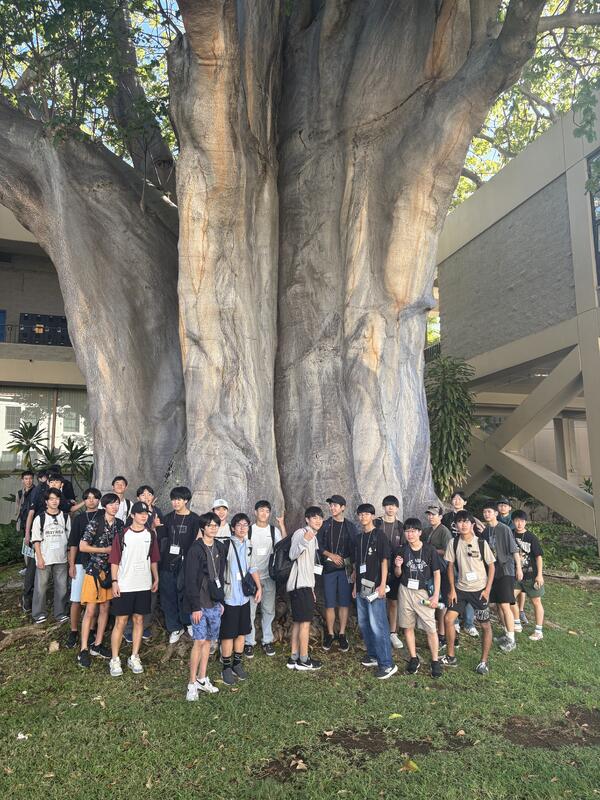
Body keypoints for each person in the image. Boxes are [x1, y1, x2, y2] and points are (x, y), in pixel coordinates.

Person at [108, 501, 159, 677]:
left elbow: (153, 559)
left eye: (146, 514)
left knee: (139, 620)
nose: (144, 516)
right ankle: (115, 659)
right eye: (140, 513)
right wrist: (114, 581)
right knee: (121, 622)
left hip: (143, 584)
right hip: (125, 584)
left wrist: (156, 577)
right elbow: (114, 560)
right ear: (132, 515)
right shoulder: (123, 535)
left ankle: (134, 656)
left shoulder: (150, 534)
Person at [442, 511, 496, 675]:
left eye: (466, 522)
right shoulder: (453, 542)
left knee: (485, 625)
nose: (463, 525)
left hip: (479, 591)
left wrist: (487, 590)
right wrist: (452, 589)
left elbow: (492, 566)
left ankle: (483, 662)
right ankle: (451, 656)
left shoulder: (481, 543)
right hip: (460, 589)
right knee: (448, 619)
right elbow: (450, 566)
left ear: (472, 525)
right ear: (456, 525)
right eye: (460, 522)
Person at [77, 493, 123, 667]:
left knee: (105, 608)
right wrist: (105, 550)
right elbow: (83, 546)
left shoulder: (120, 524)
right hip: (94, 571)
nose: (114, 507)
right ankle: (83, 649)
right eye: (111, 504)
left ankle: (97, 644)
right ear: (104, 506)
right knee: (90, 610)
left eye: (117, 504)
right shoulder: (95, 522)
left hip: (111, 572)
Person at [393, 518, 443, 678]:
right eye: (407, 531)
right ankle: (414, 658)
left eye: (413, 531)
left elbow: (437, 573)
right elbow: (397, 575)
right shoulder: (402, 550)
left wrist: (435, 595)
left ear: (420, 532)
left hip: (423, 592)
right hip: (405, 590)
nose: (410, 534)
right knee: (407, 626)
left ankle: (435, 660)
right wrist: (398, 566)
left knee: (430, 627)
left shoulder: (429, 550)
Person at [352, 503, 397, 680]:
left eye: (366, 514)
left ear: (372, 516)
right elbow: (357, 565)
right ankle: (373, 655)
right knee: (364, 623)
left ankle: (387, 664)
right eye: (360, 514)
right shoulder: (358, 538)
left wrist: (383, 585)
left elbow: (384, 561)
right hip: (361, 587)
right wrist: (354, 586)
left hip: (376, 588)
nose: (363, 517)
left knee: (378, 625)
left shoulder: (379, 535)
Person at [184, 512, 225, 699]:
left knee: (209, 640)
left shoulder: (220, 547)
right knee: (199, 641)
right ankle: (191, 683)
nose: (213, 528)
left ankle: (202, 678)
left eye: (216, 525)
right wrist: (195, 606)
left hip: (214, 601)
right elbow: (190, 579)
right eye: (209, 525)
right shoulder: (195, 549)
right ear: (203, 528)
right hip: (199, 603)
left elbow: (220, 575)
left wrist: (220, 600)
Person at [220, 513, 261, 685]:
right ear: (232, 528)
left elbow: (253, 568)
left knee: (242, 631)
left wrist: (259, 587)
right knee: (228, 633)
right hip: (229, 596)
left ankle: (237, 663)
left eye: (245, 525)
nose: (242, 528)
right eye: (239, 525)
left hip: (244, 597)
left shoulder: (249, 544)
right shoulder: (225, 545)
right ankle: (226, 667)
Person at [158, 486, 201, 644]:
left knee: (185, 594)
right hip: (167, 563)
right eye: (173, 499)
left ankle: (188, 623)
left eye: (179, 499)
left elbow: (197, 542)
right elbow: (161, 539)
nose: (175, 502)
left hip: (186, 564)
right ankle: (174, 627)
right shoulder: (167, 518)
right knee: (168, 595)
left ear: (186, 501)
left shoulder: (195, 519)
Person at [244, 500, 286, 658]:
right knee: (250, 611)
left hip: (269, 577)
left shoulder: (273, 531)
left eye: (267, 511)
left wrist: (282, 525)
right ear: (255, 512)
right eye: (261, 510)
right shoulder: (249, 530)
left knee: (268, 609)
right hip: (251, 577)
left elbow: (284, 546)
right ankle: (249, 642)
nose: (264, 514)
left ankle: (267, 640)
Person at [123, 485, 164, 642]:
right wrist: (152, 527)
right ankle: (128, 629)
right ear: (138, 498)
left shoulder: (157, 512)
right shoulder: (133, 515)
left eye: (149, 494)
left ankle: (144, 625)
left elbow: (162, 535)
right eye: (143, 494)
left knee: (150, 595)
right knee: (132, 595)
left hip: (151, 560)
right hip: (133, 563)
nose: (147, 497)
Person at [480, 501, 522, 653]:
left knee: (505, 604)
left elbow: (514, 549)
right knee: (498, 605)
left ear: (496, 513)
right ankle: (506, 632)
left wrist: (518, 568)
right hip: (492, 571)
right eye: (485, 512)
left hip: (505, 570)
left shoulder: (504, 529)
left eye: (489, 512)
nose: (487, 514)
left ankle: (512, 639)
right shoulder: (486, 531)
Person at [318, 494, 357, 652]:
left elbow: (354, 549)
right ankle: (330, 633)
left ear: (343, 507)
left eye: (335, 505)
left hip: (345, 570)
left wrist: (354, 570)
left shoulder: (350, 526)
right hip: (329, 570)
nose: (332, 508)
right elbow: (318, 545)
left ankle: (341, 633)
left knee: (344, 603)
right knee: (330, 602)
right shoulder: (325, 525)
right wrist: (331, 555)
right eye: (331, 505)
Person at [286, 506, 323, 672]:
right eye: (314, 517)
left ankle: (293, 657)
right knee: (305, 623)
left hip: (305, 585)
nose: (318, 520)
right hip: (300, 585)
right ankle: (304, 659)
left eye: (320, 518)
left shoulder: (313, 536)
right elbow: (292, 554)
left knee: (298, 622)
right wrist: (305, 540)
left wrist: (312, 588)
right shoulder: (301, 533)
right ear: (307, 519)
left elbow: (309, 565)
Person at [66, 488, 103, 649]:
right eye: (88, 498)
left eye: (94, 497)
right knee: (76, 598)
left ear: (99, 500)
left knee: (96, 599)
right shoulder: (79, 519)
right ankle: (74, 630)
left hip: (100, 563)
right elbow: (73, 543)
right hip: (81, 562)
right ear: (84, 501)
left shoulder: (103, 515)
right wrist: (72, 564)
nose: (91, 500)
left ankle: (92, 629)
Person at [442, 490, 481, 639]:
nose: (457, 501)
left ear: (465, 502)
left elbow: (476, 538)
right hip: (452, 556)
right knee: (453, 588)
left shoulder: (470, 518)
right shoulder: (447, 517)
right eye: (454, 498)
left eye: (460, 499)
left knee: (470, 588)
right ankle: (456, 620)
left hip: (468, 558)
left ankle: (469, 623)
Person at [30, 488, 70, 624]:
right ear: (46, 501)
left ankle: (60, 613)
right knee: (41, 587)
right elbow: (36, 540)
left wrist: (69, 557)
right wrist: (39, 558)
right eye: (51, 499)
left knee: (62, 587)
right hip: (45, 558)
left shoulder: (65, 517)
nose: (54, 501)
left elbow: (69, 539)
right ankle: (38, 614)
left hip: (61, 558)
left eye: (57, 499)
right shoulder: (40, 518)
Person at [375, 495, 405, 651]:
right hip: (377, 568)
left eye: (393, 505)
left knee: (393, 601)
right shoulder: (377, 523)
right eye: (387, 505)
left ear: (397, 508)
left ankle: (393, 633)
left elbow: (405, 548)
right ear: (383, 507)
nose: (390, 508)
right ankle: (378, 631)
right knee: (377, 600)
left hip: (394, 568)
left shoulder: (400, 526)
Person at [511, 510, 545, 641]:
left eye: (522, 521)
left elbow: (538, 557)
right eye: (517, 521)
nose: (519, 524)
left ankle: (538, 630)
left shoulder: (531, 537)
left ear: (525, 522)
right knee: (509, 598)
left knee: (536, 601)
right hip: (515, 575)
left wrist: (539, 575)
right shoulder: (510, 534)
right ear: (513, 521)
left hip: (531, 575)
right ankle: (517, 623)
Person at [422, 504, 452, 650]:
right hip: (428, 570)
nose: (430, 517)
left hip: (442, 570)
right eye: (429, 514)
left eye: (433, 514)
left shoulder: (444, 531)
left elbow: (448, 551)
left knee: (441, 603)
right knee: (431, 600)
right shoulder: (426, 530)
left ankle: (442, 635)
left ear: (440, 516)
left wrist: (432, 550)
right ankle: (434, 634)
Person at [21, 469, 48, 612]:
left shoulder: (47, 492)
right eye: (26, 478)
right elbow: (29, 514)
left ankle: (35, 597)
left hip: (45, 536)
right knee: (31, 565)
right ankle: (27, 597)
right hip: (32, 534)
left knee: (37, 566)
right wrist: (27, 534)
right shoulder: (34, 492)